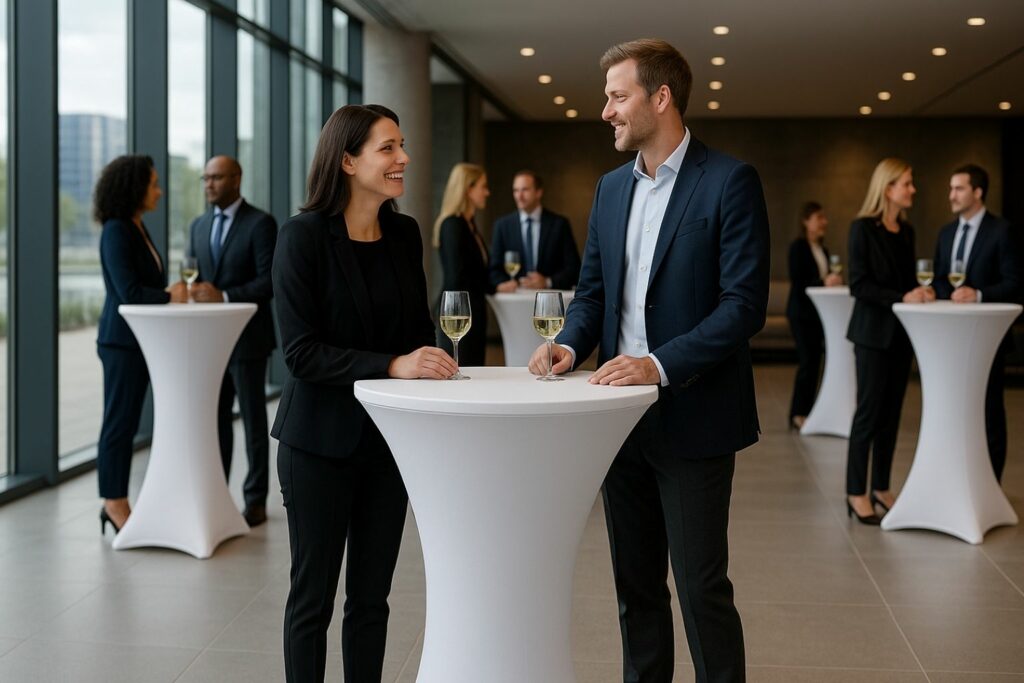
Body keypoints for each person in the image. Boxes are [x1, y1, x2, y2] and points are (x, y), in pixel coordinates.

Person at [530, 39, 770, 682]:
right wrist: (570, 344)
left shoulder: (728, 181)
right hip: (618, 421)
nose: (604, 111)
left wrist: (656, 364)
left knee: (700, 591)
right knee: (636, 592)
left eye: (617, 96)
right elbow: (593, 294)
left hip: (694, 416)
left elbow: (741, 306)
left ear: (660, 98)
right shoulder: (611, 189)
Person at [271, 104, 456, 683]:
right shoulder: (302, 237)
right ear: (348, 160)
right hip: (317, 447)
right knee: (313, 601)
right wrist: (396, 365)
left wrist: (429, 362)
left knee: (372, 602)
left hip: (388, 447)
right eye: (388, 148)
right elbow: (300, 354)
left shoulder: (404, 233)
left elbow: (418, 331)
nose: (403, 159)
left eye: (402, 146)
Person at [95, 155, 187, 534]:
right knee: (119, 423)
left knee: (129, 421)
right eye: (153, 184)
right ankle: (113, 502)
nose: (159, 191)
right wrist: (170, 297)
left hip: (141, 342)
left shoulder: (137, 227)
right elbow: (128, 292)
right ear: (134, 187)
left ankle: (119, 499)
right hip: (121, 342)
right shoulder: (117, 230)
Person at [188, 155, 278, 527]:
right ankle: (218, 493)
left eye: (217, 177)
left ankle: (255, 499)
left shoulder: (261, 223)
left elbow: (268, 282)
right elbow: (194, 276)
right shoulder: (198, 225)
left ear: (236, 179)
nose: (209, 184)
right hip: (210, 344)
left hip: (248, 340)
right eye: (205, 178)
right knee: (216, 420)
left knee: (254, 421)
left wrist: (223, 296)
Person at [846, 158, 934, 524]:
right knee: (868, 414)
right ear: (888, 188)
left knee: (892, 416)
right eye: (907, 183)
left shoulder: (907, 232)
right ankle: (855, 492)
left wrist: (919, 291)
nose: (912, 189)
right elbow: (859, 285)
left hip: (900, 337)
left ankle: (881, 486)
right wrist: (903, 296)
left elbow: (903, 281)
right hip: (871, 335)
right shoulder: (862, 229)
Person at [933, 164, 1021, 482]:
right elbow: (942, 281)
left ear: (978, 192)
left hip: (988, 338)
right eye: (951, 188)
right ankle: (960, 477)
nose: (951, 195)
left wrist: (979, 293)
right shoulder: (946, 233)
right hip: (952, 340)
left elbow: (1014, 283)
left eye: (958, 188)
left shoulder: (1002, 231)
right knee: (956, 410)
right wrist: (942, 291)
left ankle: (991, 483)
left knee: (990, 411)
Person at [786, 201, 842, 430]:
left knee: (816, 362)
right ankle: (798, 413)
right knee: (808, 363)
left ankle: (810, 412)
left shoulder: (823, 249)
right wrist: (824, 281)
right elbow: (800, 282)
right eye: (819, 218)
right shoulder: (798, 247)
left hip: (819, 315)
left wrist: (832, 280)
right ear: (806, 221)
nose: (824, 222)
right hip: (801, 314)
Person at [434, 163, 493, 366]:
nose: (487, 192)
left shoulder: (470, 225)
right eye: (483, 186)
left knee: (473, 371)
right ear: (468, 189)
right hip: (457, 315)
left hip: (472, 312)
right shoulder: (453, 225)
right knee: (460, 371)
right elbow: (456, 276)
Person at [488, 170, 580, 292]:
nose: (519, 196)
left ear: (538, 192)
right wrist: (506, 283)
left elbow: (574, 268)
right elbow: (493, 270)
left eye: (525, 190)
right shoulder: (502, 226)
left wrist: (547, 281)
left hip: (548, 300)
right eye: (516, 190)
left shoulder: (559, 224)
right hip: (514, 301)